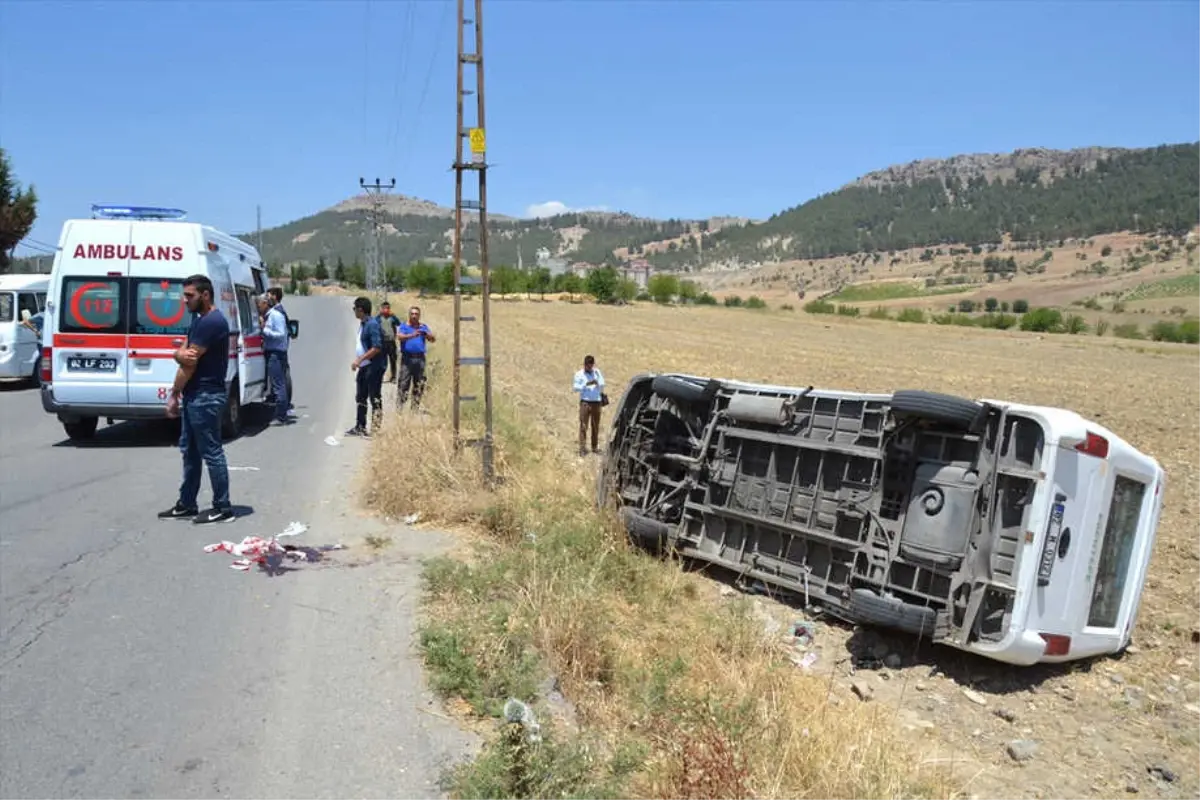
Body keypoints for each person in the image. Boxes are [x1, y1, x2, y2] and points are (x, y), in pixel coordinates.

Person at [158, 274, 235, 524]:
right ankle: (187, 503)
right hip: (195, 396)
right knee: (189, 452)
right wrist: (178, 354)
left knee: (212, 452)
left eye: (189, 295)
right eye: (184, 295)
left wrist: (173, 393)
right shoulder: (199, 321)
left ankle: (222, 507)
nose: (184, 300)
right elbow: (185, 353)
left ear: (205, 295)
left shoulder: (211, 322)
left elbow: (189, 363)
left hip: (205, 396)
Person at [347, 295, 384, 437]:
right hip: (364, 366)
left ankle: (376, 428)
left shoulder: (372, 324)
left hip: (373, 367)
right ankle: (360, 426)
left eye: (354, 308)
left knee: (374, 397)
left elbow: (376, 347)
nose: (354, 311)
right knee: (361, 396)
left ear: (360, 310)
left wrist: (359, 359)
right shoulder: (363, 324)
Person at [259, 293, 291, 425]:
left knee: (278, 384)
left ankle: (281, 416)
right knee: (276, 384)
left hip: (276, 354)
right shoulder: (269, 316)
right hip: (272, 352)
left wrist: (264, 330)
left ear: (266, 303)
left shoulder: (275, 316)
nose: (258, 307)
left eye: (259, 304)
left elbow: (281, 334)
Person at [397, 305, 435, 410]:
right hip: (407, 359)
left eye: (416, 314)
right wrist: (412, 335)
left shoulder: (423, 326)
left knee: (419, 383)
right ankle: (400, 407)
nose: (414, 316)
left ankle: (415, 407)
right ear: (409, 315)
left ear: (419, 315)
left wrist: (427, 334)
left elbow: (432, 339)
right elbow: (400, 337)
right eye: (412, 314)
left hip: (420, 359)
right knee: (404, 383)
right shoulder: (404, 326)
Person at [572, 354, 606, 456]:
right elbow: (575, 387)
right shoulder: (579, 374)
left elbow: (603, 383)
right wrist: (586, 384)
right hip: (585, 402)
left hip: (597, 402)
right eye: (587, 366)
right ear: (585, 364)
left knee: (595, 426)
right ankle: (582, 448)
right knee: (583, 425)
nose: (589, 368)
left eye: (591, 366)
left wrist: (597, 382)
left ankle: (594, 447)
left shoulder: (597, 372)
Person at [376, 301, 400, 383]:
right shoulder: (379, 318)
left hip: (391, 342)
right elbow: (374, 323)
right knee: (382, 361)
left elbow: (398, 323)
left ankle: (393, 377)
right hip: (382, 342)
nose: (386, 310)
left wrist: (394, 315)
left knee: (393, 360)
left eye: (388, 308)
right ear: (382, 309)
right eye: (384, 308)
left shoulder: (392, 317)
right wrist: (379, 314)